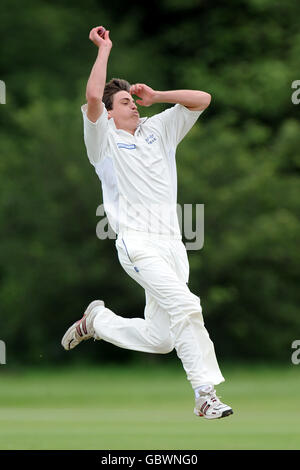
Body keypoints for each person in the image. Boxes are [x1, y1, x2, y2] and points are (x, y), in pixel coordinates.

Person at [61, 26, 233, 420]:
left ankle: (98, 322)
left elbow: (202, 99)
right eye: (125, 102)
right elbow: (92, 96)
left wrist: (157, 97)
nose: (134, 106)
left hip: (173, 243)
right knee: (187, 305)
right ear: (108, 113)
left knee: (161, 340)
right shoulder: (101, 140)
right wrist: (104, 50)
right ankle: (205, 395)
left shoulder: (158, 131)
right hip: (137, 242)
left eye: (133, 101)